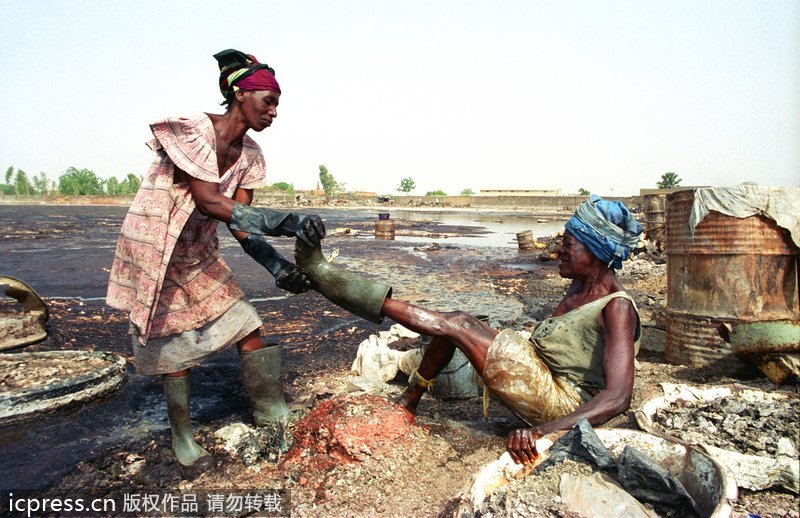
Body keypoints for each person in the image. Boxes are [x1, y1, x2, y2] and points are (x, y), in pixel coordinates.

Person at [293, 195, 642, 465]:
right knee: (462, 322)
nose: (558, 252)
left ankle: (326, 278)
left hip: (564, 407)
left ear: (595, 252)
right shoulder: (580, 286)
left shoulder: (617, 307)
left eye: (567, 246)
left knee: (457, 323)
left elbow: (618, 397)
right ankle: (410, 399)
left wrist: (540, 432)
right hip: (546, 378)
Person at [107, 49, 325, 469]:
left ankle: (270, 411)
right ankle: (183, 439)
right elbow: (209, 202)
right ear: (241, 94)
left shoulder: (250, 156)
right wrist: (287, 220)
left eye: (277, 103)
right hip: (158, 245)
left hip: (198, 248)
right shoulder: (195, 133)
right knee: (173, 341)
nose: (275, 112)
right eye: (269, 101)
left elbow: (240, 224)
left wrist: (276, 266)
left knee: (246, 322)